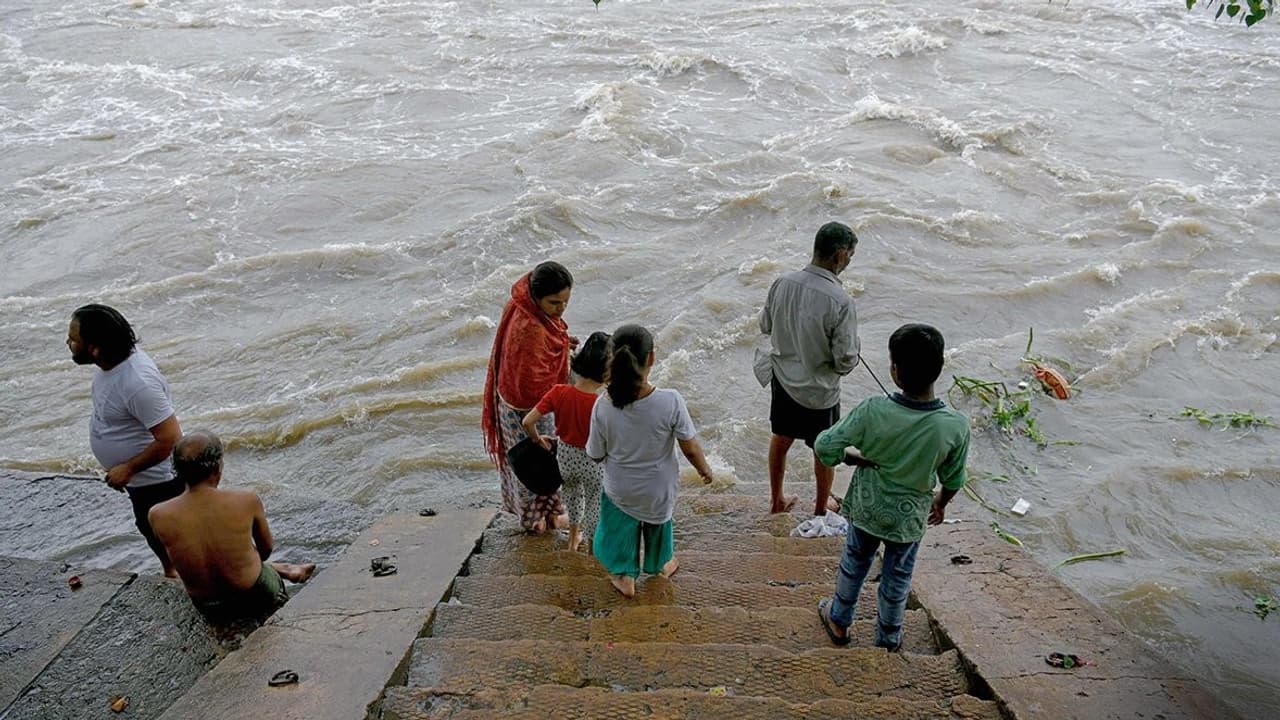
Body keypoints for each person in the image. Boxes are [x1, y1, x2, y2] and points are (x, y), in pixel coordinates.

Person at [813, 324, 970, 650]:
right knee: (898, 578)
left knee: (854, 564)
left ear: (895, 371)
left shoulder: (873, 409)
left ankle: (839, 620)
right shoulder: (955, 425)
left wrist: (853, 459)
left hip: (868, 509)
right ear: (939, 369)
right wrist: (940, 502)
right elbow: (954, 479)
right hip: (909, 518)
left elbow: (824, 446)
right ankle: (888, 637)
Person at [587, 325, 714, 598]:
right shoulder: (671, 401)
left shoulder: (603, 405)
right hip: (659, 490)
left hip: (620, 489)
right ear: (652, 359)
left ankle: (624, 575)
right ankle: (660, 564)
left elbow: (595, 454)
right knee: (659, 525)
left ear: (612, 359)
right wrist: (705, 471)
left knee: (617, 527)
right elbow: (690, 448)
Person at [67, 304, 184, 577]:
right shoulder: (112, 365)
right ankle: (171, 571)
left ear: (95, 348)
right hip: (141, 481)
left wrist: (128, 469)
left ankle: (180, 575)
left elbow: (170, 438)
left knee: (169, 532)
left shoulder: (137, 382)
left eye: (73, 339)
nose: (68, 343)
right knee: (148, 527)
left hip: (159, 481)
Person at [148, 430, 315, 619]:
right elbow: (265, 550)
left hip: (208, 606)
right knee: (245, 558)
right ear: (218, 468)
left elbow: (177, 562)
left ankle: (285, 568)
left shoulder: (157, 514)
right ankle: (285, 569)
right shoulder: (246, 500)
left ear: (177, 471)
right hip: (255, 595)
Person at [755, 221, 860, 516]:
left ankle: (776, 500)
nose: (849, 262)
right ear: (839, 255)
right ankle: (820, 510)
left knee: (782, 436)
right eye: (850, 256)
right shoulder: (841, 300)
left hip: (784, 380)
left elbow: (765, 325)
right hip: (819, 391)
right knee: (824, 448)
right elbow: (845, 361)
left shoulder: (782, 282)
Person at [482, 261, 579, 533]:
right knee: (531, 465)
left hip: (531, 402)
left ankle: (552, 512)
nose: (560, 309)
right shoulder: (530, 329)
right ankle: (533, 519)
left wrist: (562, 346)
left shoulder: (527, 307)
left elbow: (550, 341)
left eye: (565, 303)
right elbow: (530, 381)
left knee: (545, 461)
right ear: (537, 298)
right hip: (523, 410)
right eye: (554, 303)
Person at [522, 331, 611, 553]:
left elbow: (527, 421)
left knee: (572, 497)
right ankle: (592, 547)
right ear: (607, 372)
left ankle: (572, 541)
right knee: (594, 503)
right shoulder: (603, 403)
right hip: (593, 462)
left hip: (566, 459)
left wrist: (537, 438)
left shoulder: (558, 392)